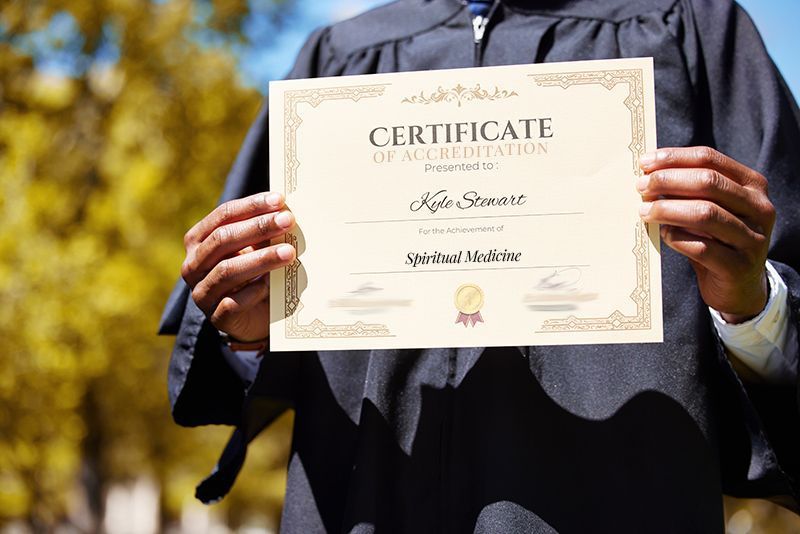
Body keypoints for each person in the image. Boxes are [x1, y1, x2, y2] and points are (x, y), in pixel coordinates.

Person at [159, 0, 800, 531]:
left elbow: (782, 301)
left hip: (621, 502)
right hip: (368, 502)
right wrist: (242, 329)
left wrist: (750, 304)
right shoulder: (338, 62)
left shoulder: (689, 28)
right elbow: (245, 324)